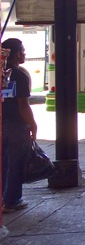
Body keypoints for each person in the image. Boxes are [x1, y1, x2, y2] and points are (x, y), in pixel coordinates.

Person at [2, 37, 37, 213]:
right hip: (16, 125)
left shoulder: (2, 72)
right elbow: (23, 104)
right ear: (16, 54)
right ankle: (12, 200)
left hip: (2, 123)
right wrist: (33, 124)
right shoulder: (19, 74)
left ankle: (2, 198)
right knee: (15, 162)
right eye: (23, 51)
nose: (24, 54)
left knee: (2, 162)